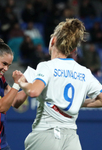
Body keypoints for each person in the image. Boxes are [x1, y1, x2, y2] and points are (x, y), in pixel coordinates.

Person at [18, 18, 102, 150]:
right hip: (72, 140)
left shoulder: (46, 66)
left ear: (53, 41)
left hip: (46, 134)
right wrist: (79, 102)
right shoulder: (84, 72)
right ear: (73, 49)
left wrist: (22, 82)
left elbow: (34, 91)